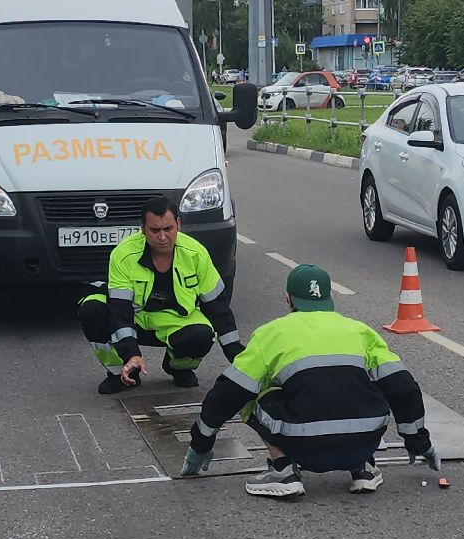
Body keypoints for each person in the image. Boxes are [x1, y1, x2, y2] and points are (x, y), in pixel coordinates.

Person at [180, 263, 437, 499]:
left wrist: (201, 443)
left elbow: (227, 393)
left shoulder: (272, 333)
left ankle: (282, 470)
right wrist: (418, 443)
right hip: (363, 440)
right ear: (329, 299)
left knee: (252, 390)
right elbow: (404, 387)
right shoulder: (360, 331)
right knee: (363, 383)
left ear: (288, 299)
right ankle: (364, 467)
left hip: (306, 447)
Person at [78, 197, 243, 395]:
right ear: (142, 229)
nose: (163, 237)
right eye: (155, 230)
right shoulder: (123, 254)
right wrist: (132, 354)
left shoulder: (196, 253)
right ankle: (122, 372)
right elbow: (119, 310)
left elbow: (218, 308)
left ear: (178, 225)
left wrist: (239, 359)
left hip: (175, 321)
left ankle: (178, 368)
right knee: (92, 308)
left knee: (202, 335)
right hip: (135, 319)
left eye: (168, 229)